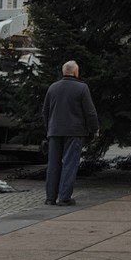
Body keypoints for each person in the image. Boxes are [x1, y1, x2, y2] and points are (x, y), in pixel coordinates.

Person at [43, 60, 100, 206]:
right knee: (70, 163)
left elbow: (46, 111)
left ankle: (50, 198)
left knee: (53, 164)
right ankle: (64, 197)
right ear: (75, 72)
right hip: (74, 132)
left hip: (54, 131)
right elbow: (90, 112)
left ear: (63, 72)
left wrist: (49, 128)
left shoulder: (52, 88)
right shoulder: (82, 88)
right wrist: (94, 129)